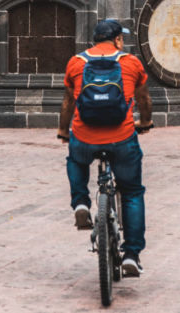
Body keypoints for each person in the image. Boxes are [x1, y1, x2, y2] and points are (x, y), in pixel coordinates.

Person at [57, 19, 153, 279]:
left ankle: (81, 203)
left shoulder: (76, 63)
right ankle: (131, 255)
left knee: (76, 159)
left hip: (85, 136)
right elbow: (144, 99)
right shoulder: (131, 63)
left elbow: (67, 103)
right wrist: (145, 122)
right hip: (122, 138)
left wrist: (64, 131)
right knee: (131, 192)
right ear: (118, 40)